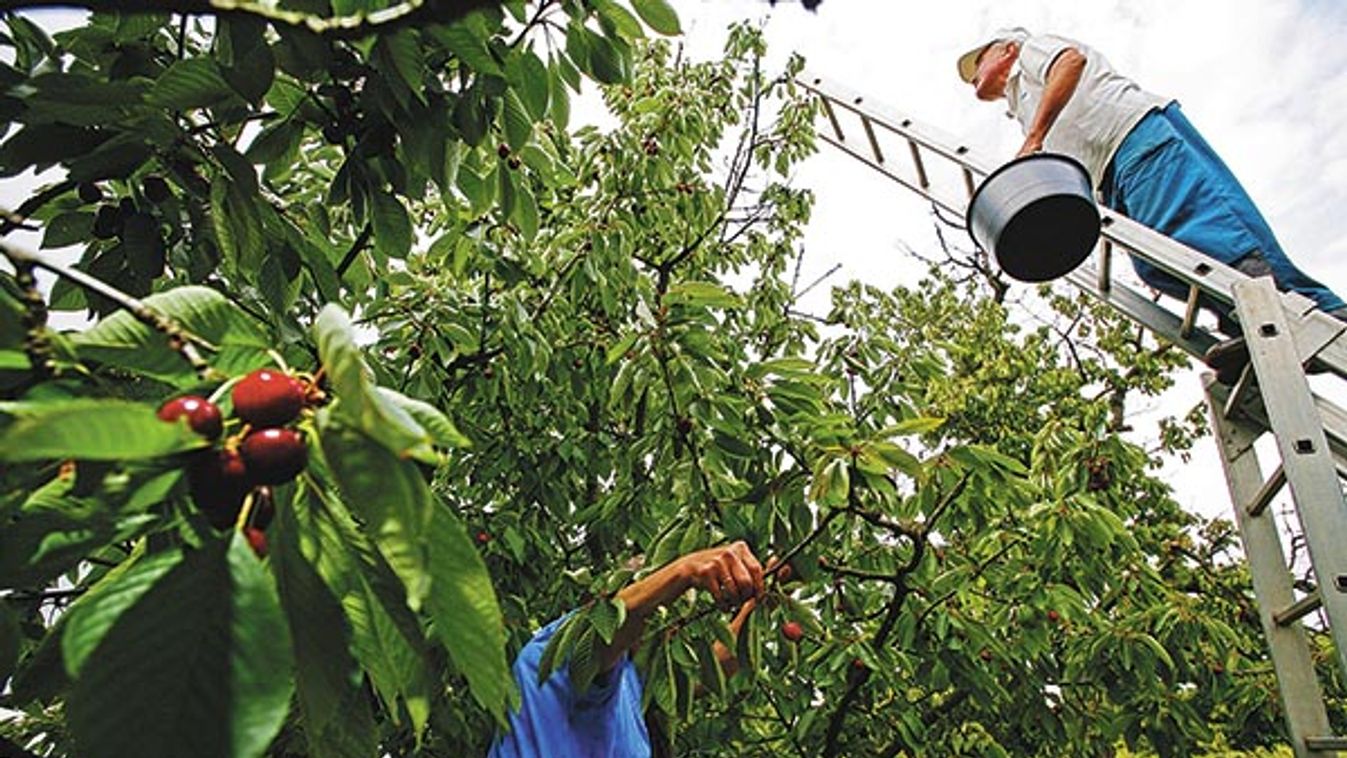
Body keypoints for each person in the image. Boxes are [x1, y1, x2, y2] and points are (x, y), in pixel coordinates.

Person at [957, 28, 1347, 382]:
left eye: (980, 61)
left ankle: (1293, 314)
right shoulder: (1021, 108)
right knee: (1155, 266)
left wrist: (1036, 138)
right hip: (1111, 180)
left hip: (1134, 139)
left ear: (1007, 49)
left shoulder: (1030, 53)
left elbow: (1071, 61)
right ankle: (1244, 323)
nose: (974, 74)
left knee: (1204, 233)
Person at [487, 541, 774, 757]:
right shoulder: (554, 652)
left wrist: (765, 595)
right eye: (657, 610)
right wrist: (684, 571)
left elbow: (709, 671)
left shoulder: (630, 682)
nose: (664, 624)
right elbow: (616, 623)